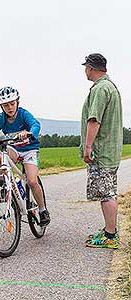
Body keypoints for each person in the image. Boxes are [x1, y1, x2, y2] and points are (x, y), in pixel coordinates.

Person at [0, 86, 50, 227]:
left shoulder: (23, 114)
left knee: (32, 181)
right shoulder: (1, 119)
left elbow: (35, 124)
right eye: (5, 105)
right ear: (1, 106)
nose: (9, 108)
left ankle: (42, 210)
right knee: (2, 159)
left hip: (29, 150)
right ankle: (3, 186)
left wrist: (29, 132)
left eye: (12, 104)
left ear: (17, 102)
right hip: (14, 148)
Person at [80, 53, 123, 249]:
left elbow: (94, 119)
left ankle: (110, 237)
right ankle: (109, 229)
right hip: (110, 150)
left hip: (101, 151)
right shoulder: (110, 86)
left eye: (86, 67)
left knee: (106, 194)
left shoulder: (100, 89)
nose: (85, 70)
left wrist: (88, 147)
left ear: (91, 67)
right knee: (108, 191)